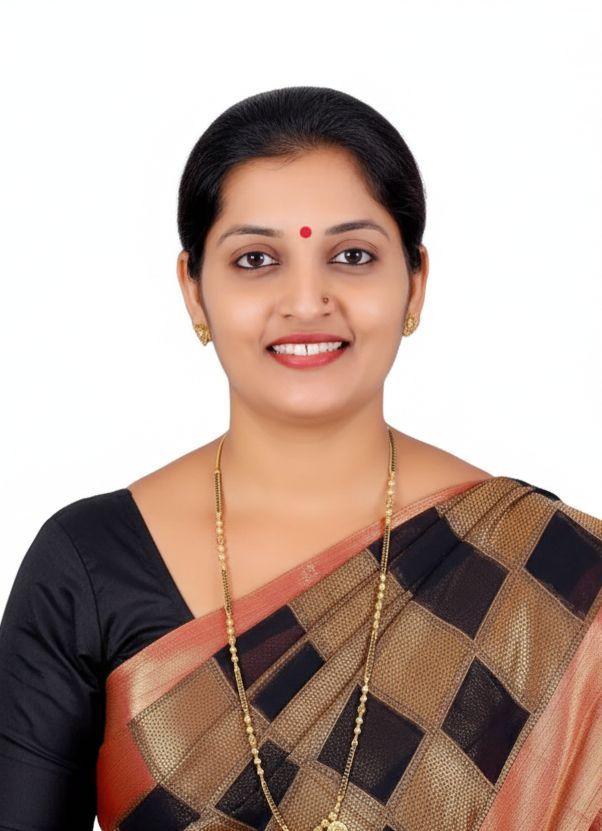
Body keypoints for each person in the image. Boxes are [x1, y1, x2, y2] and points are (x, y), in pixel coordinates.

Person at [1, 86, 600, 831]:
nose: (307, 300)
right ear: (194, 291)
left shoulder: (540, 567)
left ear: (415, 283)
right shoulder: (87, 566)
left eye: (352, 256)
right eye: (257, 259)